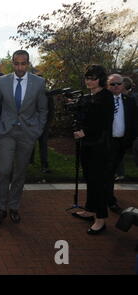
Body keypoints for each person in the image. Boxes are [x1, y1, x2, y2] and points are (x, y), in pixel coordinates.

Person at [0, 50, 48, 226]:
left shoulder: (39, 83)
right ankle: (1, 208)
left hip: (27, 134)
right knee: (5, 171)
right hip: (6, 133)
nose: (20, 67)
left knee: (20, 173)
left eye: (23, 64)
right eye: (16, 63)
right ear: (12, 63)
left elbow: (43, 110)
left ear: (28, 64)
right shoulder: (2, 81)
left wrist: (36, 131)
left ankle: (14, 207)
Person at [72, 64, 114, 234]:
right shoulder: (89, 96)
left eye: (93, 78)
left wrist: (85, 132)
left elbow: (104, 122)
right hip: (88, 144)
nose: (89, 81)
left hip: (99, 146)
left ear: (101, 79)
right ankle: (90, 210)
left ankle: (100, 219)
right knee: (90, 179)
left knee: (99, 182)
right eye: (87, 78)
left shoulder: (106, 97)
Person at [104, 74, 136, 214]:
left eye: (118, 84)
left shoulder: (129, 101)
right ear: (107, 86)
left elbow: (134, 122)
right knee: (105, 171)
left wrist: (127, 141)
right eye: (112, 84)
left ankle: (108, 198)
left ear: (123, 85)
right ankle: (108, 199)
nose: (116, 86)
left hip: (121, 143)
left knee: (111, 172)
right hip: (105, 142)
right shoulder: (102, 100)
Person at [30, 82, 55, 173]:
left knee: (42, 145)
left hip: (43, 123)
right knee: (33, 143)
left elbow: (51, 109)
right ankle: (31, 160)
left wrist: (49, 123)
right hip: (34, 123)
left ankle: (44, 165)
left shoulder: (47, 95)